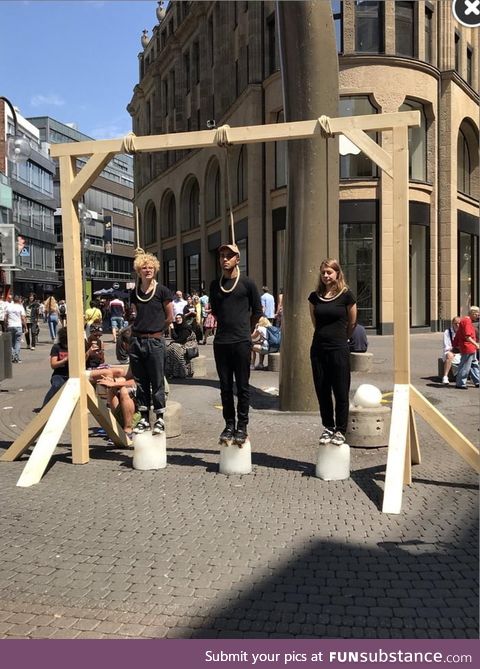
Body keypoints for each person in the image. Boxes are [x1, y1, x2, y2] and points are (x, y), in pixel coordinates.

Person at [209, 242, 263, 446]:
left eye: (229, 256)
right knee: (224, 387)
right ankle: (229, 424)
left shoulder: (248, 284)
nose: (225, 259)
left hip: (241, 341)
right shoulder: (215, 285)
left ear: (237, 259)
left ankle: (242, 426)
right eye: (222, 255)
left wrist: (246, 330)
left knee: (242, 387)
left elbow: (257, 310)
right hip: (221, 342)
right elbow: (215, 310)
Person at [309, 258, 357, 447]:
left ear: (337, 273)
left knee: (340, 390)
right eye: (323, 273)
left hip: (339, 348)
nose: (326, 276)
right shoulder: (314, 297)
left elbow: (352, 322)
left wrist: (341, 338)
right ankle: (328, 426)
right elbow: (314, 320)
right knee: (322, 389)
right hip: (319, 348)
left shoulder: (347, 295)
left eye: (330, 272)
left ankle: (340, 429)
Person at [129, 251, 174, 434]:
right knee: (140, 382)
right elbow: (134, 314)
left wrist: (157, 330)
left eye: (150, 267)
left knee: (157, 381)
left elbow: (170, 316)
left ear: (155, 270)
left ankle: (160, 419)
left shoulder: (162, 291)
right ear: (138, 271)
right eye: (143, 268)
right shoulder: (134, 293)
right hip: (137, 341)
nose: (147, 270)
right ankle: (144, 419)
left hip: (154, 341)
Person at [453, 306, 480, 389]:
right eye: (477, 315)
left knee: (474, 364)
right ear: (473, 313)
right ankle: (460, 383)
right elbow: (467, 336)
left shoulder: (465, 321)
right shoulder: (467, 321)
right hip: (468, 347)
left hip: (470, 347)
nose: (478, 317)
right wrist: (476, 344)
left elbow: (458, 334)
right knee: (465, 365)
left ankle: (478, 381)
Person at [42, 327, 70, 406]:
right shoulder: (57, 347)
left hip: (71, 375)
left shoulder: (74, 347)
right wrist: (65, 360)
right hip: (59, 375)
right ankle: (45, 406)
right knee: (57, 385)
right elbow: (53, 365)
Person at [165, 313, 196, 379]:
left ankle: (180, 372)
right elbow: (175, 337)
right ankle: (171, 372)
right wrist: (172, 329)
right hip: (179, 344)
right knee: (169, 350)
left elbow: (181, 340)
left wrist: (173, 342)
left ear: (183, 318)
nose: (178, 319)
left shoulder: (186, 328)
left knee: (174, 350)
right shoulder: (177, 327)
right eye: (176, 318)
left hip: (186, 345)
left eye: (179, 318)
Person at [5, 295, 26, 363]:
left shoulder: (9, 306)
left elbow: (6, 317)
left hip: (10, 326)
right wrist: (25, 326)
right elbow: (23, 318)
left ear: (13, 300)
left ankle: (12, 356)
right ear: (19, 300)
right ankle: (16, 357)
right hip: (18, 326)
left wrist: (6, 325)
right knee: (17, 342)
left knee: (11, 342)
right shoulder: (20, 307)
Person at [441, 317, 461, 385]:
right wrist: (454, 350)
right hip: (450, 351)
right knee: (449, 355)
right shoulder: (447, 332)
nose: (457, 325)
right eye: (456, 323)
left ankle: (474, 377)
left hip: (461, 351)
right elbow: (447, 346)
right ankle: (445, 376)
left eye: (459, 323)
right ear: (452, 323)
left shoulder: (463, 331)